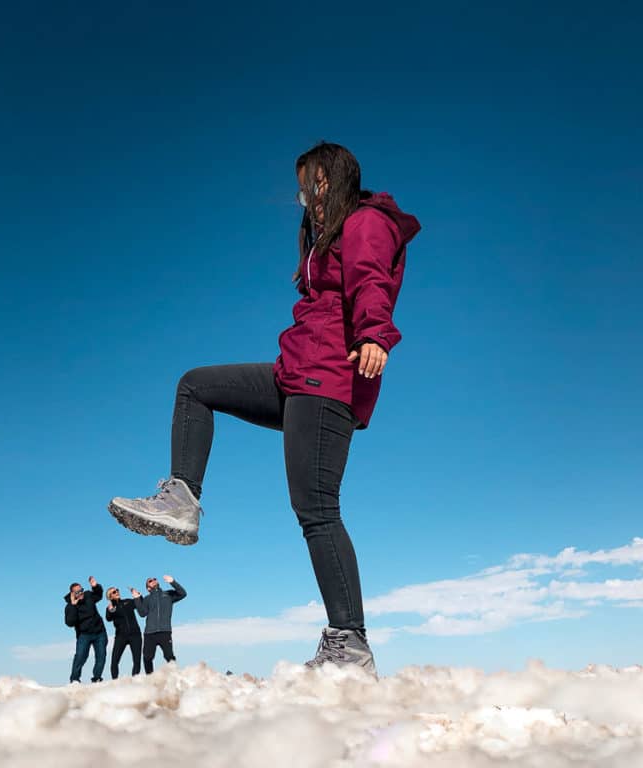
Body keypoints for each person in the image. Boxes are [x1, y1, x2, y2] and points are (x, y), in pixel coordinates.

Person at [108, 142, 420, 675]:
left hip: (329, 377)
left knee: (317, 509)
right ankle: (182, 498)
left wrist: (375, 335)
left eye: (313, 183)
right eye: (302, 186)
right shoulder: (319, 235)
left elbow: (372, 279)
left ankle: (350, 644)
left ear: (334, 180)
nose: (305, 195)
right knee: (195, 386)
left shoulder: (366, 221)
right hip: (295, 372)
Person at [131, 575, 186, 674]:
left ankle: (175, 675)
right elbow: (142, 613)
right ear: (148, 588)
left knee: (169, 656)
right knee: (147, 657)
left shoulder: (168, 594)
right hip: (150, 633)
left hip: (165, 632)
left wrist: (172, 582)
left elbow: (183, 594)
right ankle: (150, 678)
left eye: (154, 579)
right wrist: (137, 599)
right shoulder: (147, 599)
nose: (154, 581)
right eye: (150, 581)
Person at [63, 576, 107, 683]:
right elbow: (70, 623)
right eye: (78, 592)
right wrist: (73, 605)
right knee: (80, 657)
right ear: (72, 594)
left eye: (81, 590)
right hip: (84, 635)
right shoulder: (69, 606)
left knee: (101, 656)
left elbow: (99, 595)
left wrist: (95, 586)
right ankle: (74, 679)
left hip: (99, 632)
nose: (81, 593)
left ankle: (96, 678)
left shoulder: (88, 595)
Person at [105, 585, 142, 678]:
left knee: (137, 661)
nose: (117, 592)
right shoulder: (110, 608)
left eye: (117, 590)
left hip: (135, 635)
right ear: (110, 596)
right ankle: (115, 682)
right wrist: (111, 611)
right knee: (114, 661)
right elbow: (108, 618)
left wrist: (138, 595)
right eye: (114, 592)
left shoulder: (127, 601)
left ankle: (134, 681)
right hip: (121, 636)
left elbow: (139, 602)